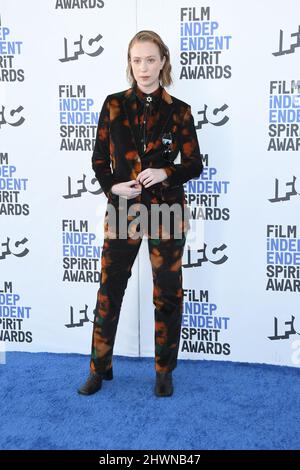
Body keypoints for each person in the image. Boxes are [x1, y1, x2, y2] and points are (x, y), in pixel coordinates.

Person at [78, 30, 203, 397]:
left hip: (166, 207)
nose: (143, 68)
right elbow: (99, 160)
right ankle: (99, 369)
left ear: (163, 62)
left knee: (167, 291)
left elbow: (194, 163)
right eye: (137, 60)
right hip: (123, 209)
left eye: (150, 60)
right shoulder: (113, 105)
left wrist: (167, 171)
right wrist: (112, 186)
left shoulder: (179, 111)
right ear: (129, 63)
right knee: (110, 289)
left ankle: (164, 371)